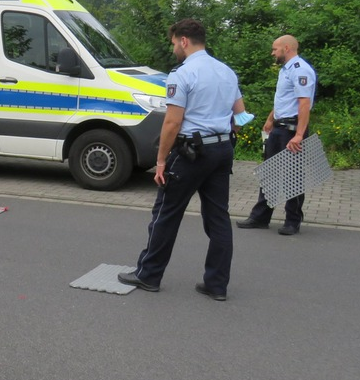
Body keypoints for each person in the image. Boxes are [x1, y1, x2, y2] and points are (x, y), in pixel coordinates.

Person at [118, 18, 246, 302]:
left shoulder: (181, 74)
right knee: (218, 218)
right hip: (222, 150)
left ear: (184, 41)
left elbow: (172, 123)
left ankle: (149, 275)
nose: (173, 47)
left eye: (174, 42)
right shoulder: (226, 71)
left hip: (191, 153)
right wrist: (226, 133)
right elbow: (241, 115)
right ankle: (216, 284)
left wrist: (161, 161)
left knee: (166, 213)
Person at [237, 34, 317, 236]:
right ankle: (261, 217)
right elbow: (284, 99)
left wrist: (299, 135)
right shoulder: (285, 70)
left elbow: (304, 103)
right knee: (269, 172)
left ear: (287, 48)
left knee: (293, 176)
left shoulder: (301, 70)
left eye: (275, 49)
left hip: (292, 130)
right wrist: (271, 118)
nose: (273, 52)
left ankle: (293, 220)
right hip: (279, 127)